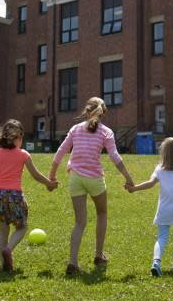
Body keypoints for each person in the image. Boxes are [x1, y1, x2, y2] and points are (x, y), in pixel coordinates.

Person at [49, 97, 135, 276]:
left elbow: (60, 152)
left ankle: (72, 262)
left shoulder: (75, 129)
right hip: (95, 179)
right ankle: (98, 255)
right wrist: (128, 178)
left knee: (79, 222)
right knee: (102, 213)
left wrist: (52, 176)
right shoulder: (106, 132)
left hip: (75, 178)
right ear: (103, 113)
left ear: (86, 111)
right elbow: (115, 157)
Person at [0, 119, 58, 272]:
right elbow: (35, 175)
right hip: (14, 195)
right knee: (22, 227)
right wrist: (49, 183)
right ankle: (9, 249)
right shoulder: (23, 154)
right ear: (18, 137)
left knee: (2, 230)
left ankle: (4, 265)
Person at [127, 137, 173, 277]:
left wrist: (135, 188)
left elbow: (150, 183)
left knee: (161, 237)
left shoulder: (159, 170)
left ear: (164, 153)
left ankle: (156, 263)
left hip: (164, 211)